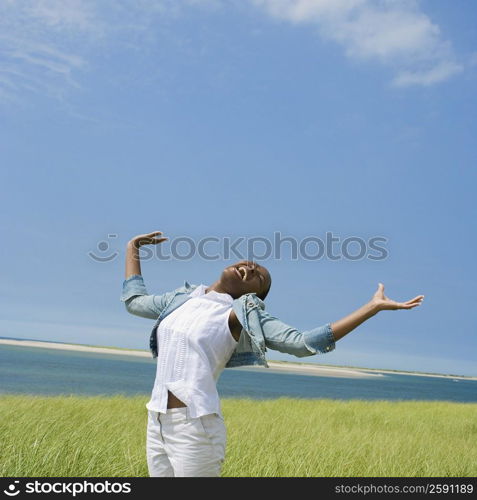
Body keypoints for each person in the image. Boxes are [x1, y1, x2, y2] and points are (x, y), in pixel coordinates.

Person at [121, 231, 424, 477]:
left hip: (195, 426)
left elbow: (304, 343)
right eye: (252, 264)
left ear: (252, 294)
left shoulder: (239, 314)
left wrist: (371, 308)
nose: (251, 268)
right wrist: (132, 247)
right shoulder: (181, 300)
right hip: (156, 417)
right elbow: (135, 301)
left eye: (259, 278)